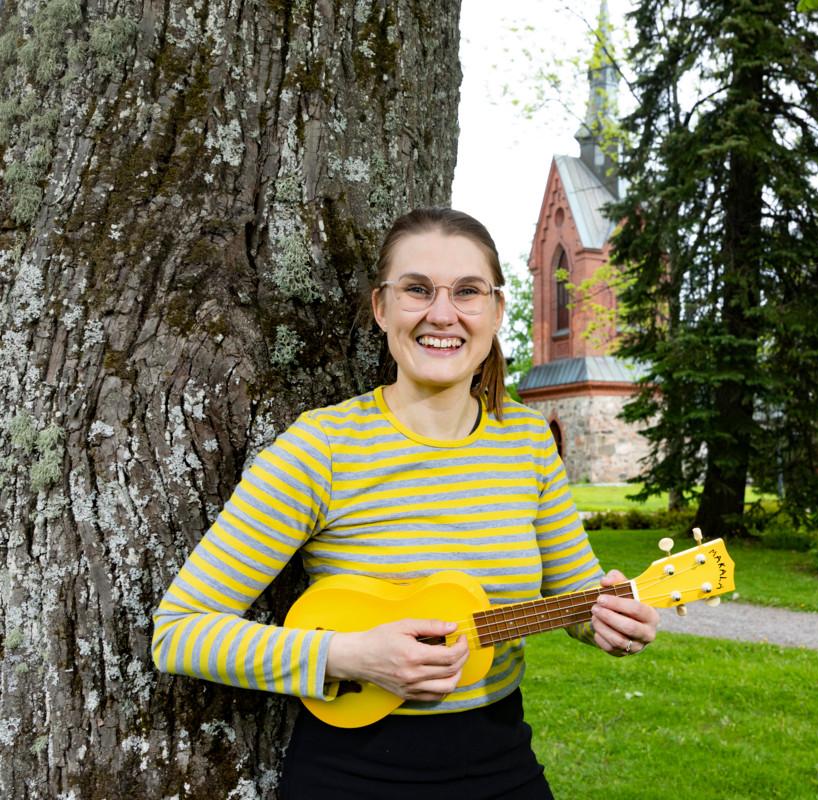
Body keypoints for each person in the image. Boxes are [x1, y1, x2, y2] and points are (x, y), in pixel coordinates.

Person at [151, 208, 661, 799]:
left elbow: (578, 596)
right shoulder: (322, 448)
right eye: (417, 289)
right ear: (381, 307)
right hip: (354, 774)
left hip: (501, 762)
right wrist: (348, 656)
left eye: (467, 292)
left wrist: (607, 618)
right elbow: (180, 632)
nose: (442, 314)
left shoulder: (526, 441)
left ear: (496, 311)